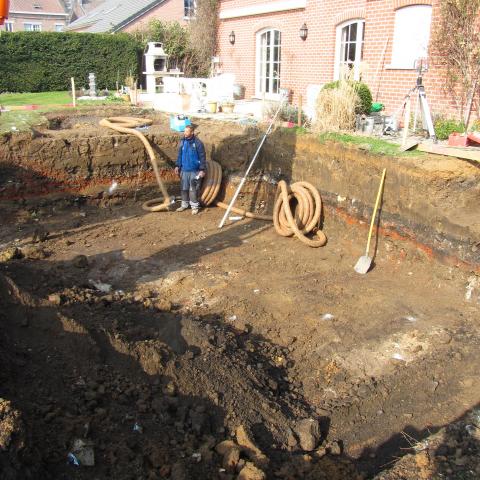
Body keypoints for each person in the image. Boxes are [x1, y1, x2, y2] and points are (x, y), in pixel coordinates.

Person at [174, 125, 206, 215]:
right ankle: (184, 205)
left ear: (192, 132)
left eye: (187, 131)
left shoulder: (198, 143)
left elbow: (202, 157)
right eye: (184, 131)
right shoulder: (182, 141)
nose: (185, 133)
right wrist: (177, 166)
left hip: (194, 170)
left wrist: (202, 169)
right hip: (184, 170)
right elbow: (180, 155)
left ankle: (194, 206)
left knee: (193, 189)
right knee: (184, 189)